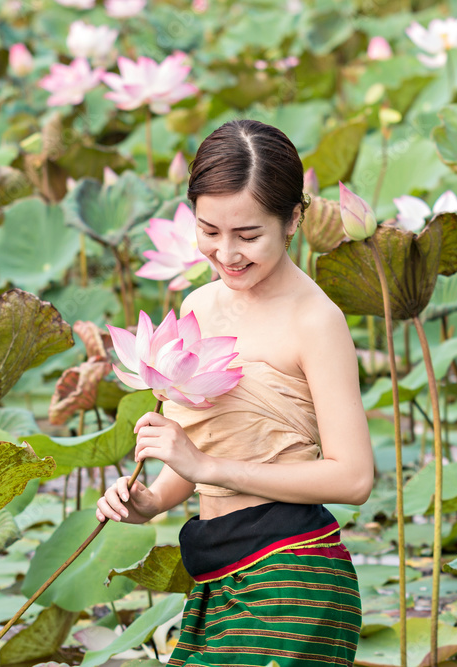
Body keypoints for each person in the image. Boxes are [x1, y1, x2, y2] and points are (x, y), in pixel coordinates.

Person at [96, 119, 375, 667]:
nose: (227, 254)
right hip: (215, 568)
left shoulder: (317, 321)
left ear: (294, 218)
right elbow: (199, 446)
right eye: (209, 231)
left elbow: (354, 477)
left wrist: (209, 468)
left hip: (293, 578)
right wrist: (152, 500)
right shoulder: (199, 307)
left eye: (249, 236)